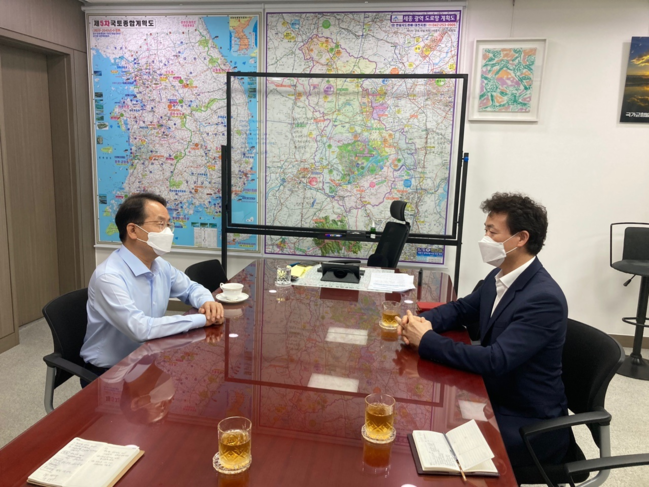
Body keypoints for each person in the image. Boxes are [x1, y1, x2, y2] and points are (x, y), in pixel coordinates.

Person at [398, 192, 570, 469]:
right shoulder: (499, 275)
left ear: (521, 238)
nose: (485, 238)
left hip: (526, 420)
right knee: (421, 426)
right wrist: (419, 322)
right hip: (493, 396)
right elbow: (461, 309)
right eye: (485, 230)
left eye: (492, 231)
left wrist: (426, 340)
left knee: (437, 451)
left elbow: (494, 360)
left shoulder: (543, 299)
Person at [80, 193, 224, 382]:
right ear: (133, 230)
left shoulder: (159, 265)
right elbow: (140, 329)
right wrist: (202, 319)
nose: (168, 232)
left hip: (147, 358)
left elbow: (190, 288)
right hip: (110, 373)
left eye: (168, 224)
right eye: (160, 224)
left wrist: (206, 301)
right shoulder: (109, 277)